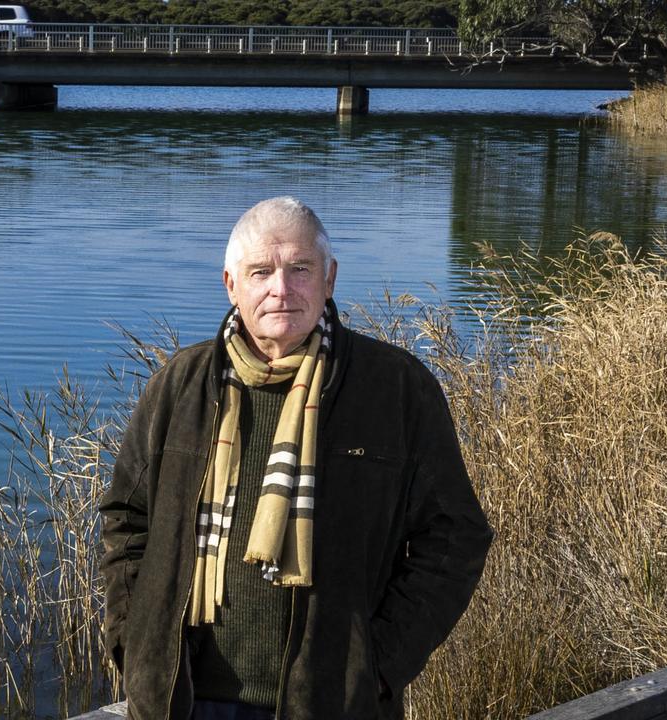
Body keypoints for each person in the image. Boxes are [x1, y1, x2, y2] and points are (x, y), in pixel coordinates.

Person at [100, 196, 493, 720]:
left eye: (299, 269)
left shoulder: (394, 389)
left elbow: (454, 536)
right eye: (260, 271)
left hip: (329, 701)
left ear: (329, 278)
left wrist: (377, 664)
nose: (280, 289)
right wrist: (135, 645)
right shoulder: (181, 385)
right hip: (184, 700)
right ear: (231, 284)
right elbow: (127, 521)